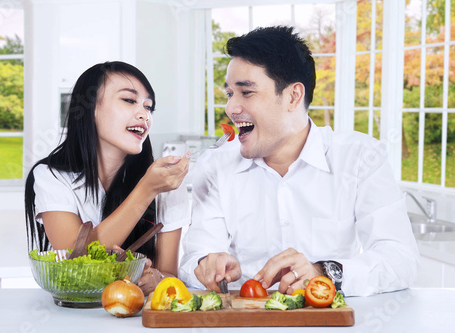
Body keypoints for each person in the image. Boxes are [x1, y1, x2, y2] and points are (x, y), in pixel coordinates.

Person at [179, 26, 419, 297]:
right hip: (243, 319)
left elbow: (401, 259)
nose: (230, 108)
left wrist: (324, 272)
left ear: (293, 96)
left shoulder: (360, 157)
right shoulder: (215, 166)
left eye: (246, 93)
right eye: (229, 94)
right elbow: (193, 260)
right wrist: (207, 265)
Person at [25, 61, 190, 295]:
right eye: (129, 100)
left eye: (148, 106)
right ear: (91, 107)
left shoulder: (167, 184)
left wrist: (157, 278)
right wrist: (146, 190)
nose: (144, 114)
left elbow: (169, 274)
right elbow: (76, 256)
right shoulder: (51, 177)